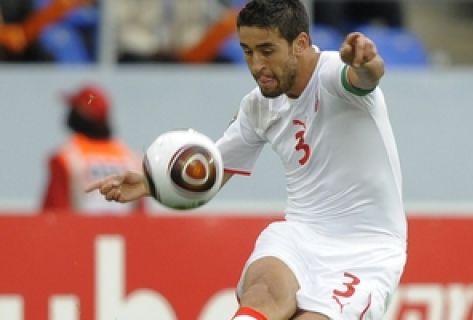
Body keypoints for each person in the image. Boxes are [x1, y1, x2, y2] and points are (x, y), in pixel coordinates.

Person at [87, 0, 407, 319]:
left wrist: (366, 61)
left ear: (300, 44)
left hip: (366, 248)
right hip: (299, 233)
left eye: (267, 51)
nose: (256, 65)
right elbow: (212, 170)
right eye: (247, 51)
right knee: (263, 291)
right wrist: (149, 183)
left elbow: (367, 77)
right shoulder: (258, 106)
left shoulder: (334, 75)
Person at [42, 84, 144, 215]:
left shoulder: (65, 158)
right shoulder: (133, 159)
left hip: (79, 233)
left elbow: (54, 214)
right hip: (123, 234)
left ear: (79, 114)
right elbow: (141, 218)